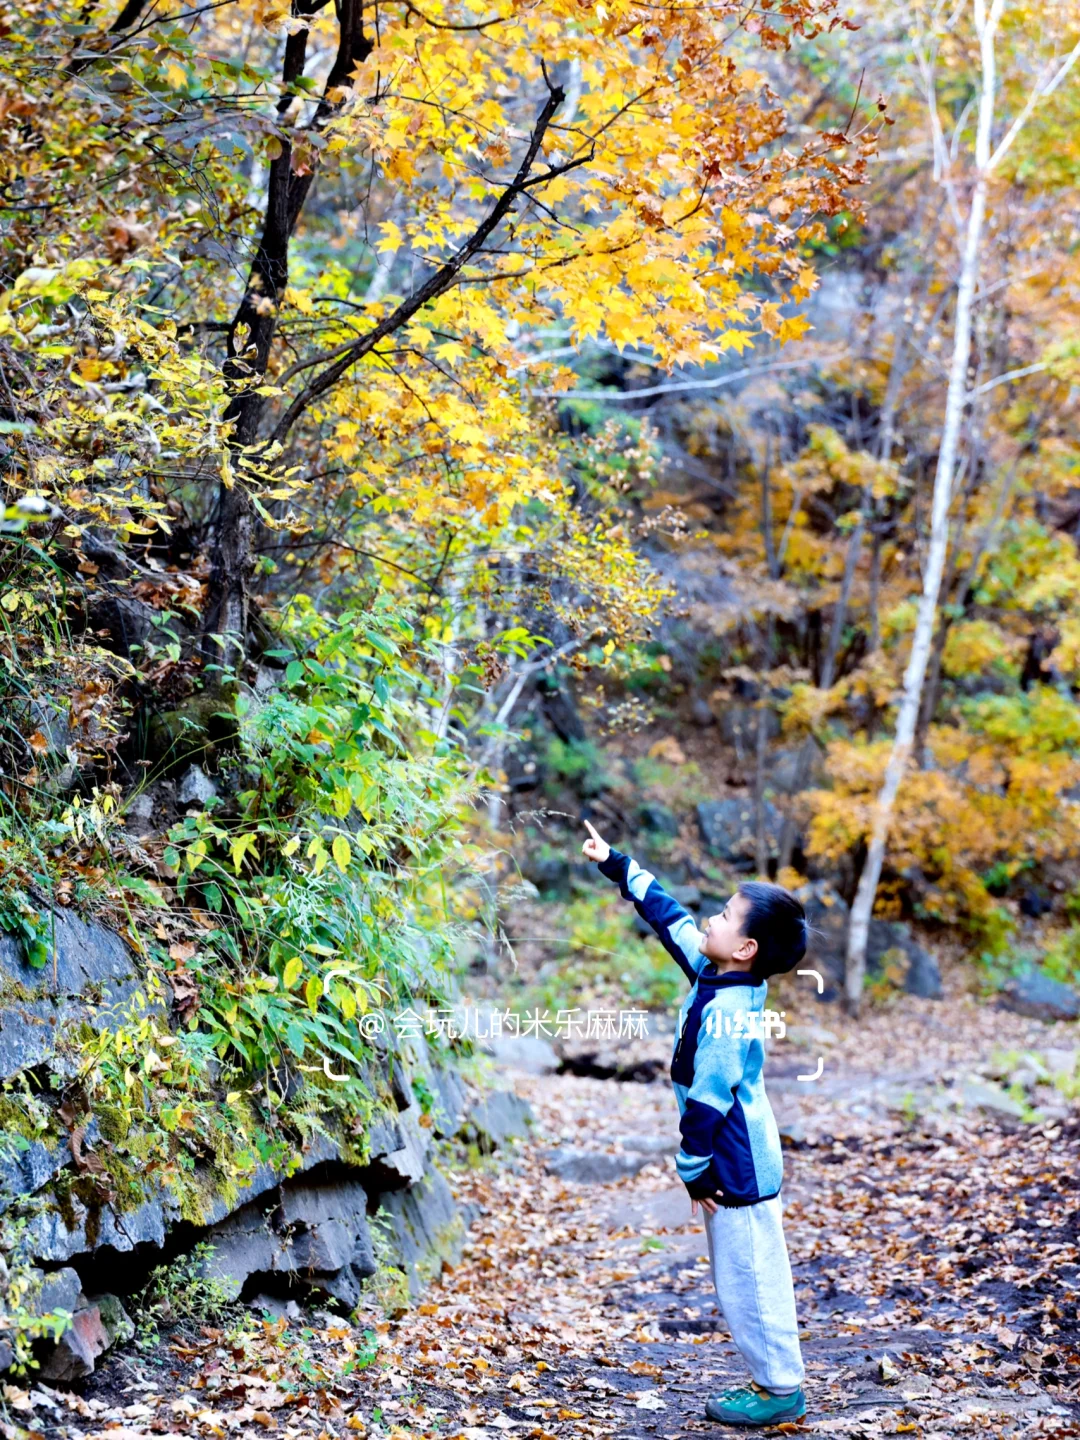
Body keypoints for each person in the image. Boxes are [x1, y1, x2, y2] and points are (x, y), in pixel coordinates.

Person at [581, 819, 809, 1428]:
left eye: (726, 916)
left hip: (736, 1163)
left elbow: (709, 1099)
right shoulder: (717, 974)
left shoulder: (730, 1014)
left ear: (746, 948)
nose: (711, 918)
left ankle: (780, 1388)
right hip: (731, 1160)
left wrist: (693, 1169)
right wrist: (616, 863)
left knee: (749, 1277)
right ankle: (772, 1379)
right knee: (741, 1273)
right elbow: (670, 918)